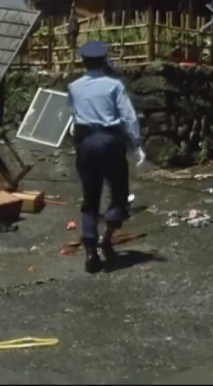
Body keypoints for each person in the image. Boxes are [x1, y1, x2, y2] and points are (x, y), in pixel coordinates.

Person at [67, 41, 145, 273]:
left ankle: (91, 251)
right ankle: (107, 237)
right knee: (119, 191)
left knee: (90, 197)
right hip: (111, 141)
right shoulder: (114, 86)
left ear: (83, 61)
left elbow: (73, 115)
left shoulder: (73, 87)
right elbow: (128, 117)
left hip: (86, 143)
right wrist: (136, 144)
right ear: (103, 60)